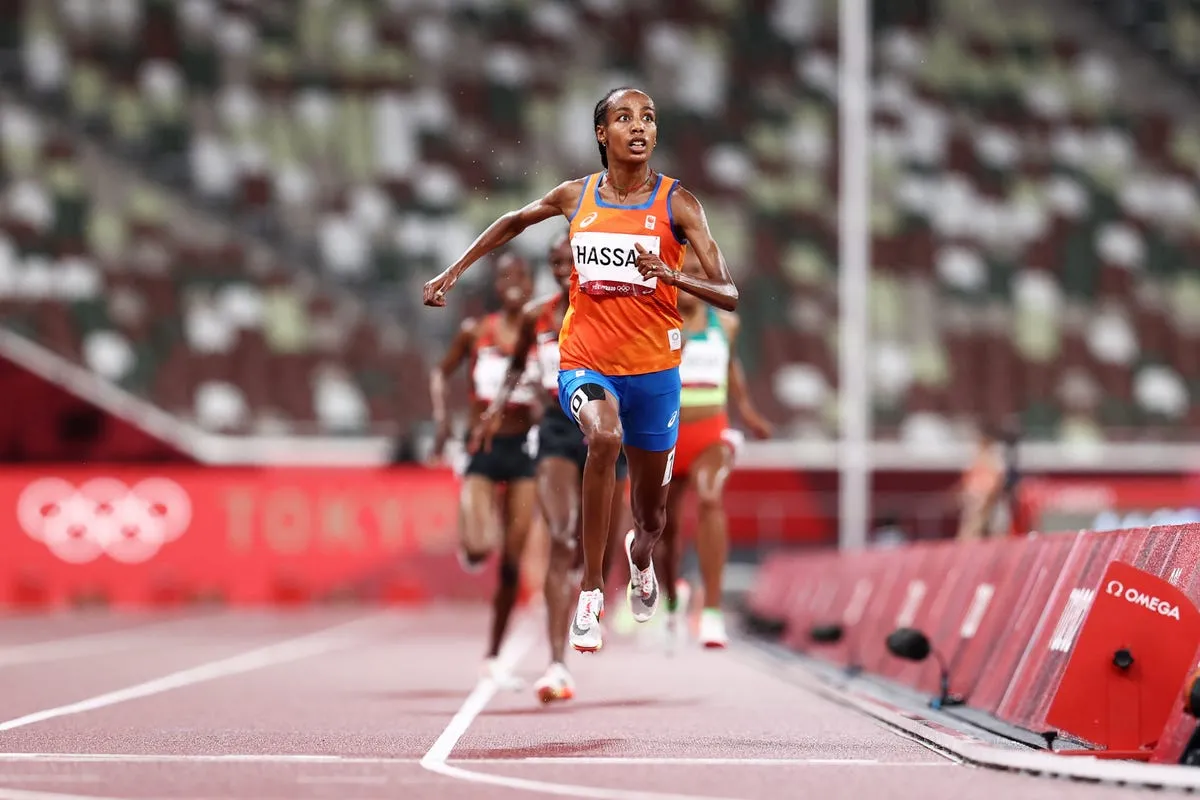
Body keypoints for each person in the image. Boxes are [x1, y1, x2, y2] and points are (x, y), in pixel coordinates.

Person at [424, 86, 738, 654]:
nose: (639, 127)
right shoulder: (577, 197)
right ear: (603, 134)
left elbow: (728, 293)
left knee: (652, 517)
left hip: (655, 372)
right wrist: (452, 271)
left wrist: (670, 277)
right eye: (624, 118)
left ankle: (639, 560)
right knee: (603, 435)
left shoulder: (679, 204)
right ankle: (591, 591)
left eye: (649, 117)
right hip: (587, 361)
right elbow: (514, 221)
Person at [470, 233, 631, 703]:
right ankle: (558, 665)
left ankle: (591, 596)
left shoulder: (609, 310)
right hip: (558, 433)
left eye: (572, 260)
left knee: (595, 553)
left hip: (607, 432)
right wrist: (494, 411)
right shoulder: (538, 317)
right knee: (560, 537)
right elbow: (517, 368)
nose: (564, 269)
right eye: (557, 262)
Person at [652, 247, 772, 649]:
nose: (682, 276)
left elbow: (730, 367)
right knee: (662, 529)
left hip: (710, 432)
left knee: (710, 496)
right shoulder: (654, 322)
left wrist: (749, 412)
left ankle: (713, 611)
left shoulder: (726, 326)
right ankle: (671, 600)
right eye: (676, 268)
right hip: (666, 434)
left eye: (691, 270)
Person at [428, 253, 539, 685]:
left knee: (512, 563)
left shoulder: (542, 331)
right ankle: (476, 533)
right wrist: (442, 423)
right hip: (482, 447)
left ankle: (493, 655)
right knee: (477, 548)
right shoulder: (476, 331)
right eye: (505, 276)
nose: (513, 282)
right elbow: (440, 374)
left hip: (524, 449)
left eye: (521, 276)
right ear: (497, 286)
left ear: (530, 284)